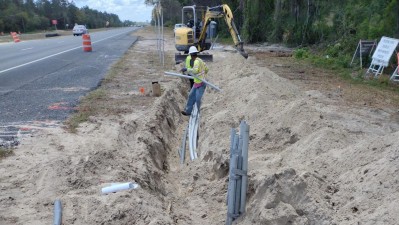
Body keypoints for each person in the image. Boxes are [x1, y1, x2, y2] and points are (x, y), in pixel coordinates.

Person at [180, 46, 209, 116]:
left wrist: (187, 69)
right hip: (197, 82)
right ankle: (188, 112)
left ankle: (200, 114)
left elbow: (195, 71)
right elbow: (207, 69)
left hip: (201, 83)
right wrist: (202, 73)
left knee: (198, 99)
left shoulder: (196, 61)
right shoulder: (200, 60)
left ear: (191, 55)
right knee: (191, 96)